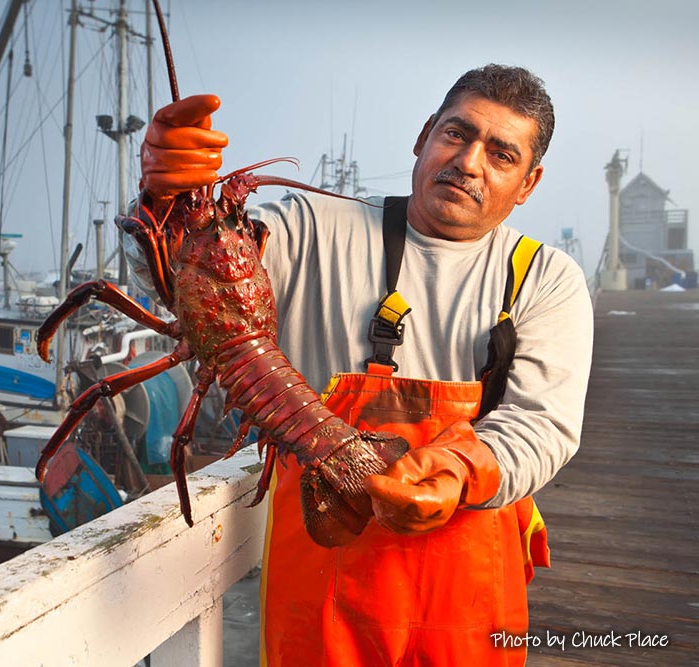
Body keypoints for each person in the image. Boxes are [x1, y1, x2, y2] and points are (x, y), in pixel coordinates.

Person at [134, 64, 593, 666]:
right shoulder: (308, 226)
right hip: (320, 584)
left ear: (527, 183)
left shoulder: (544, 277)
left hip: (468, 584)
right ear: (424, 136)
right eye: (456, 135)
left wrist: (460, 467)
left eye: (501, 154)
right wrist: (162, 200)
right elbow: (188, 285)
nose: (469, 162)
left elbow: (543, 424)